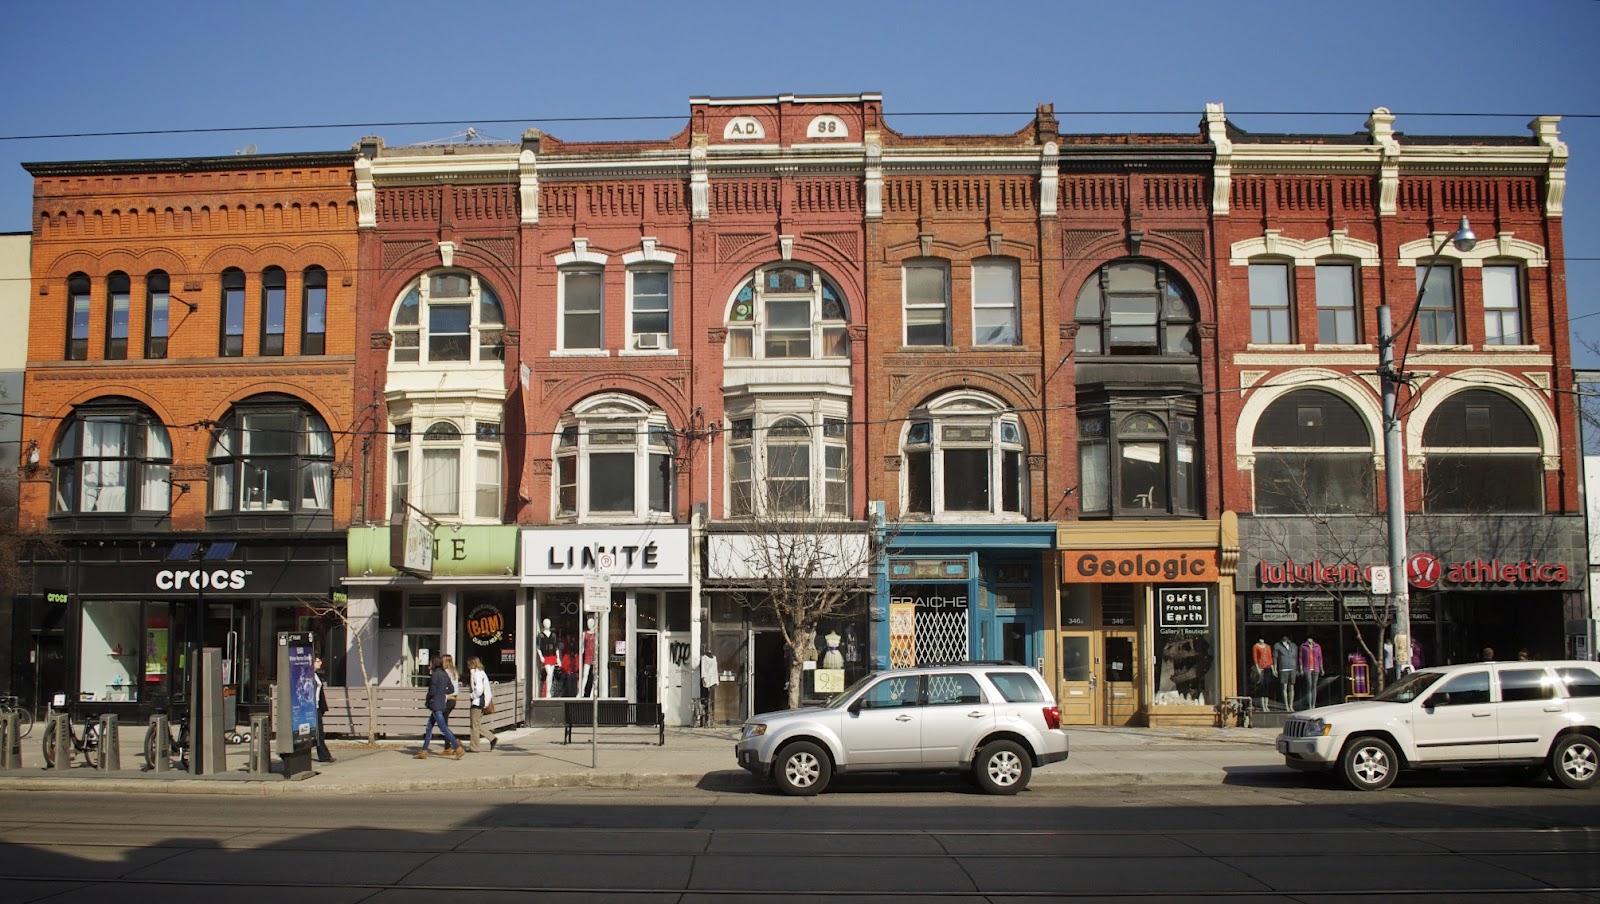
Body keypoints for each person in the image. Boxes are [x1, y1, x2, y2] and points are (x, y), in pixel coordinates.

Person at [416, 656, 464, 760]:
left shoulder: (434, 675)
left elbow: (432, 691)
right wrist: (442, 692)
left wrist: (428, 698)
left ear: (434, 664)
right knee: (429, 727)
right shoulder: (444, 674)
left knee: (443, 728)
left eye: (430, 664)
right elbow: (451, 688)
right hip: (442, 703)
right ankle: (424, 750)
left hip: (435, 704)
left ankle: (458, 747)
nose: (429, 666)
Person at [465, 656, 496, 752]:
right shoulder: (482, 674)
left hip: (477, 701)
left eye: (468, 664)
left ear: (472, 664)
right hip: (482, 701)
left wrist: (472, 696)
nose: (467, 666)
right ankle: (491, 738)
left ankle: (475, 747)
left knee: (474, 725)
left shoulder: (476, 674)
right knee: (476, 724)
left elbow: (478, 690)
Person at [313, 655, 335, 764]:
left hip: (317, 706)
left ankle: (324, 755)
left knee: (319, 731)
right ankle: (324, 755)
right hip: (311, 708)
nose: (320, 663)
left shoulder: (316, 675)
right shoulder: (308, 676)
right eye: (317, 661)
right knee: (316, 732)